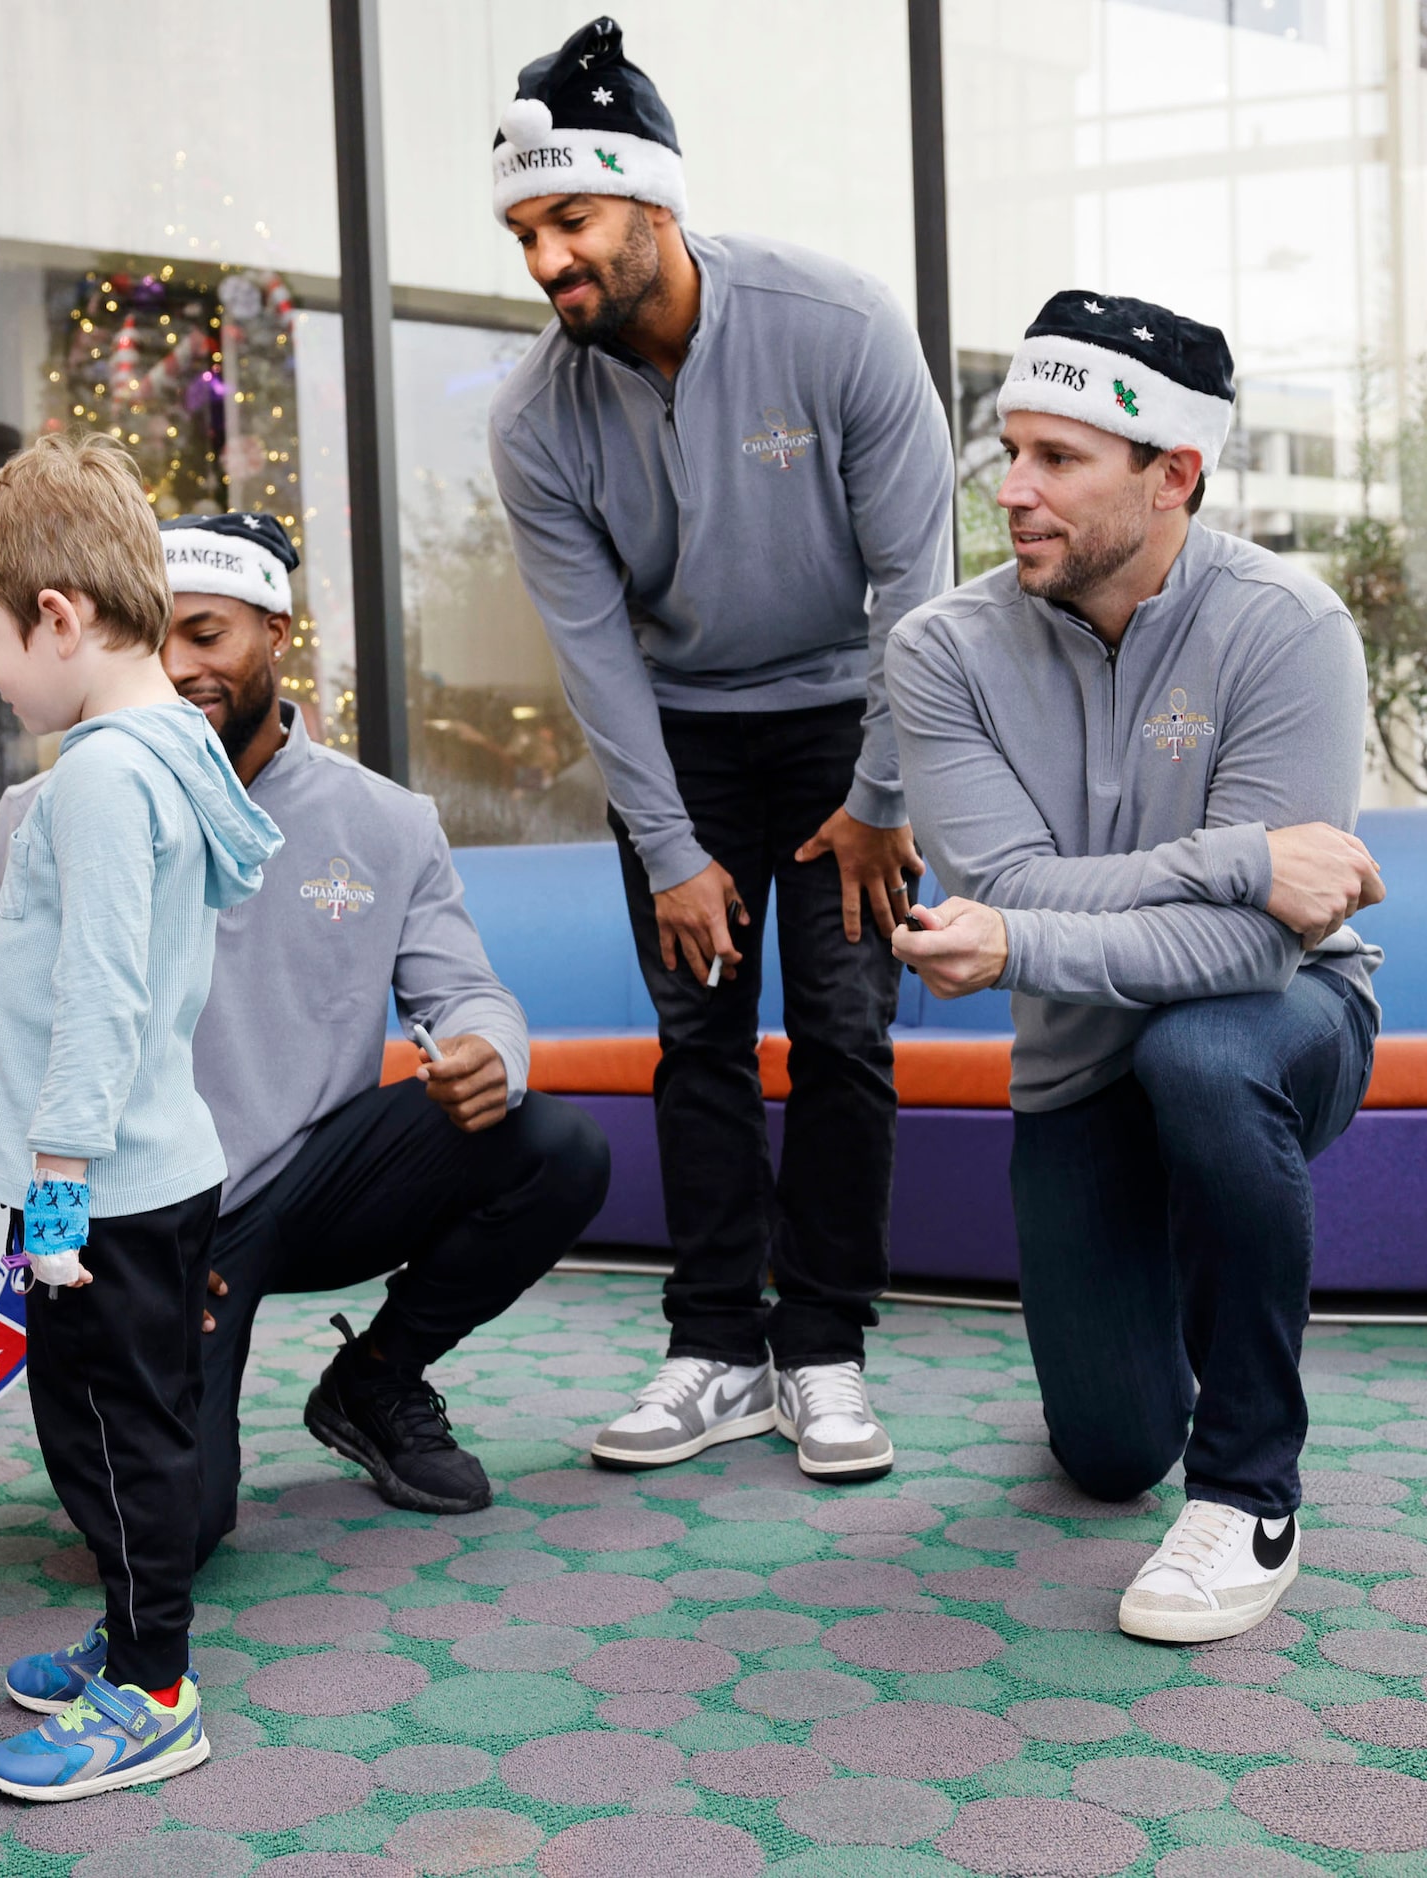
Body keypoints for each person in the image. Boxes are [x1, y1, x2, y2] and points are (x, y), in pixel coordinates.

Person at [0, 514, 609, 1625]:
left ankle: (375, 1381)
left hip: (306, 1182)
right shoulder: (44, 811)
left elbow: (464, 994)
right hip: (140, 1204)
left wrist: (491, 1050)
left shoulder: (385, 821)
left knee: (552, 1147)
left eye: (209, 633)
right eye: (162, 638)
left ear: (276, 634)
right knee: (171, 1534)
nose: (186, 664)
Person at [484, 17, 955, 1481]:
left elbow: (920, 588)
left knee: (843, 1030)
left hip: (844, 723)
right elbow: (595, 650)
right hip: (678, 740)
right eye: (523, 231)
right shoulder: (534, 419)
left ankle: (821, 1351)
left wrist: (884, 799)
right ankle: (710, 1350)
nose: (547, 258)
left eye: (569, 219)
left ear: (652, 202)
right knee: (696, 1035)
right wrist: (671, 846)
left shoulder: (840, 323)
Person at [887, 292, 1387, 1644]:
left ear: (1174, 475)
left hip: (1280, 1017)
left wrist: (1020, 938)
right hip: (1072, 1066)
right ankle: (1164, 1284)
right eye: (1008, 450)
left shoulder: (1288, 626)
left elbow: (1246, 949)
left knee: (1203, 1052)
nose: (1013, 489)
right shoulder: (938, 650)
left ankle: (1247, 1489)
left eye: (1059, 459)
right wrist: (1236, 858)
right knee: (1107, 1452)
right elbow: (1011, 890)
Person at [0, 434, 283, 1803]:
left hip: (103, 1186)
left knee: (109, 1436)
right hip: (142, 1168)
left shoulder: (95, 775)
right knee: (112, 1421)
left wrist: (57, 1183)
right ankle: (138, 1638)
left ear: (59, 618)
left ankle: (152, 1690)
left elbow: (99, 993)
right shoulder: (170, 749)